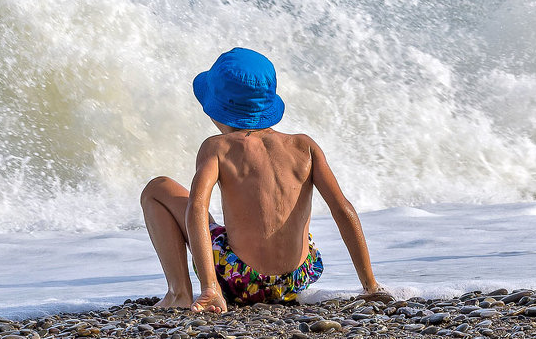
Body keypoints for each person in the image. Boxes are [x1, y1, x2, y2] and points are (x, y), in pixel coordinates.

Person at [141, 47, 390, 314]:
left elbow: (197, 208)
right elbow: (343, 209)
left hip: (239, 279)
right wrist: (371, 286)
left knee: (158, 188)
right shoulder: (304, 146)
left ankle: (179, 292)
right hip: (296, 279)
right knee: (220, 225)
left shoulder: (217, 148)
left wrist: (210, 286)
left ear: (216, 108)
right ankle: (370, 284)